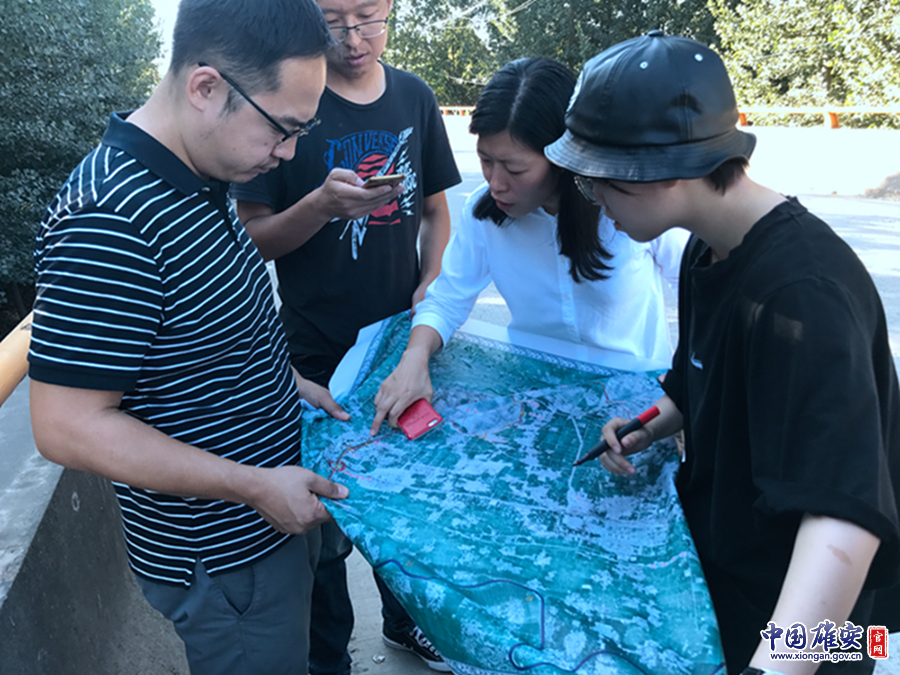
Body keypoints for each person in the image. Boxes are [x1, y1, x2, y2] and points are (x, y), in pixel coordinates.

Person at [546, 31, 900, 675]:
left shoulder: (801, 296)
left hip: (816, 621)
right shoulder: (706, 249)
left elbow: (843, 518)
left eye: (601, 183)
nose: (594, 200)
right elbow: (700, 382)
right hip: (728, 580)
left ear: (666, 170)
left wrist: (776, 666)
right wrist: (648, 425)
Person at [27, 1, 352, 673]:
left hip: (267, 516)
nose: (288, 152)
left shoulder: (200, 173)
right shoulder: (108, 218)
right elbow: (66, 425)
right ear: (206, 87)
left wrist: (285, 383)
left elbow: (192, 333)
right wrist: (253, 486)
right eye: (282, 129)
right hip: (226, 555)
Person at [232, 0, 461, 670]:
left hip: (399, 345)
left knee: (402, 498)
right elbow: (252, 237)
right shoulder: (289, 105)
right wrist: (321, 206)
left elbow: (437, 210)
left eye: (369, 17)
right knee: (324, 514)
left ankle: (405, 621)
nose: (354, 37)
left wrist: (431, 281)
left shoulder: (415, 97)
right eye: (334, 20)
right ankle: (329, 656)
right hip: (312, 349)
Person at [371, 57, 688, 432]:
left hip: (635, 397)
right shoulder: (484, 213)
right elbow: (446, 299)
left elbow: (697, 287)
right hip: (534, 396)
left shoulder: (624, 206)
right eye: (486, 161)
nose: (496, 183)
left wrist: (683, 382)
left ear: (562, 158)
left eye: (515, 169)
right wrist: (415, 358)